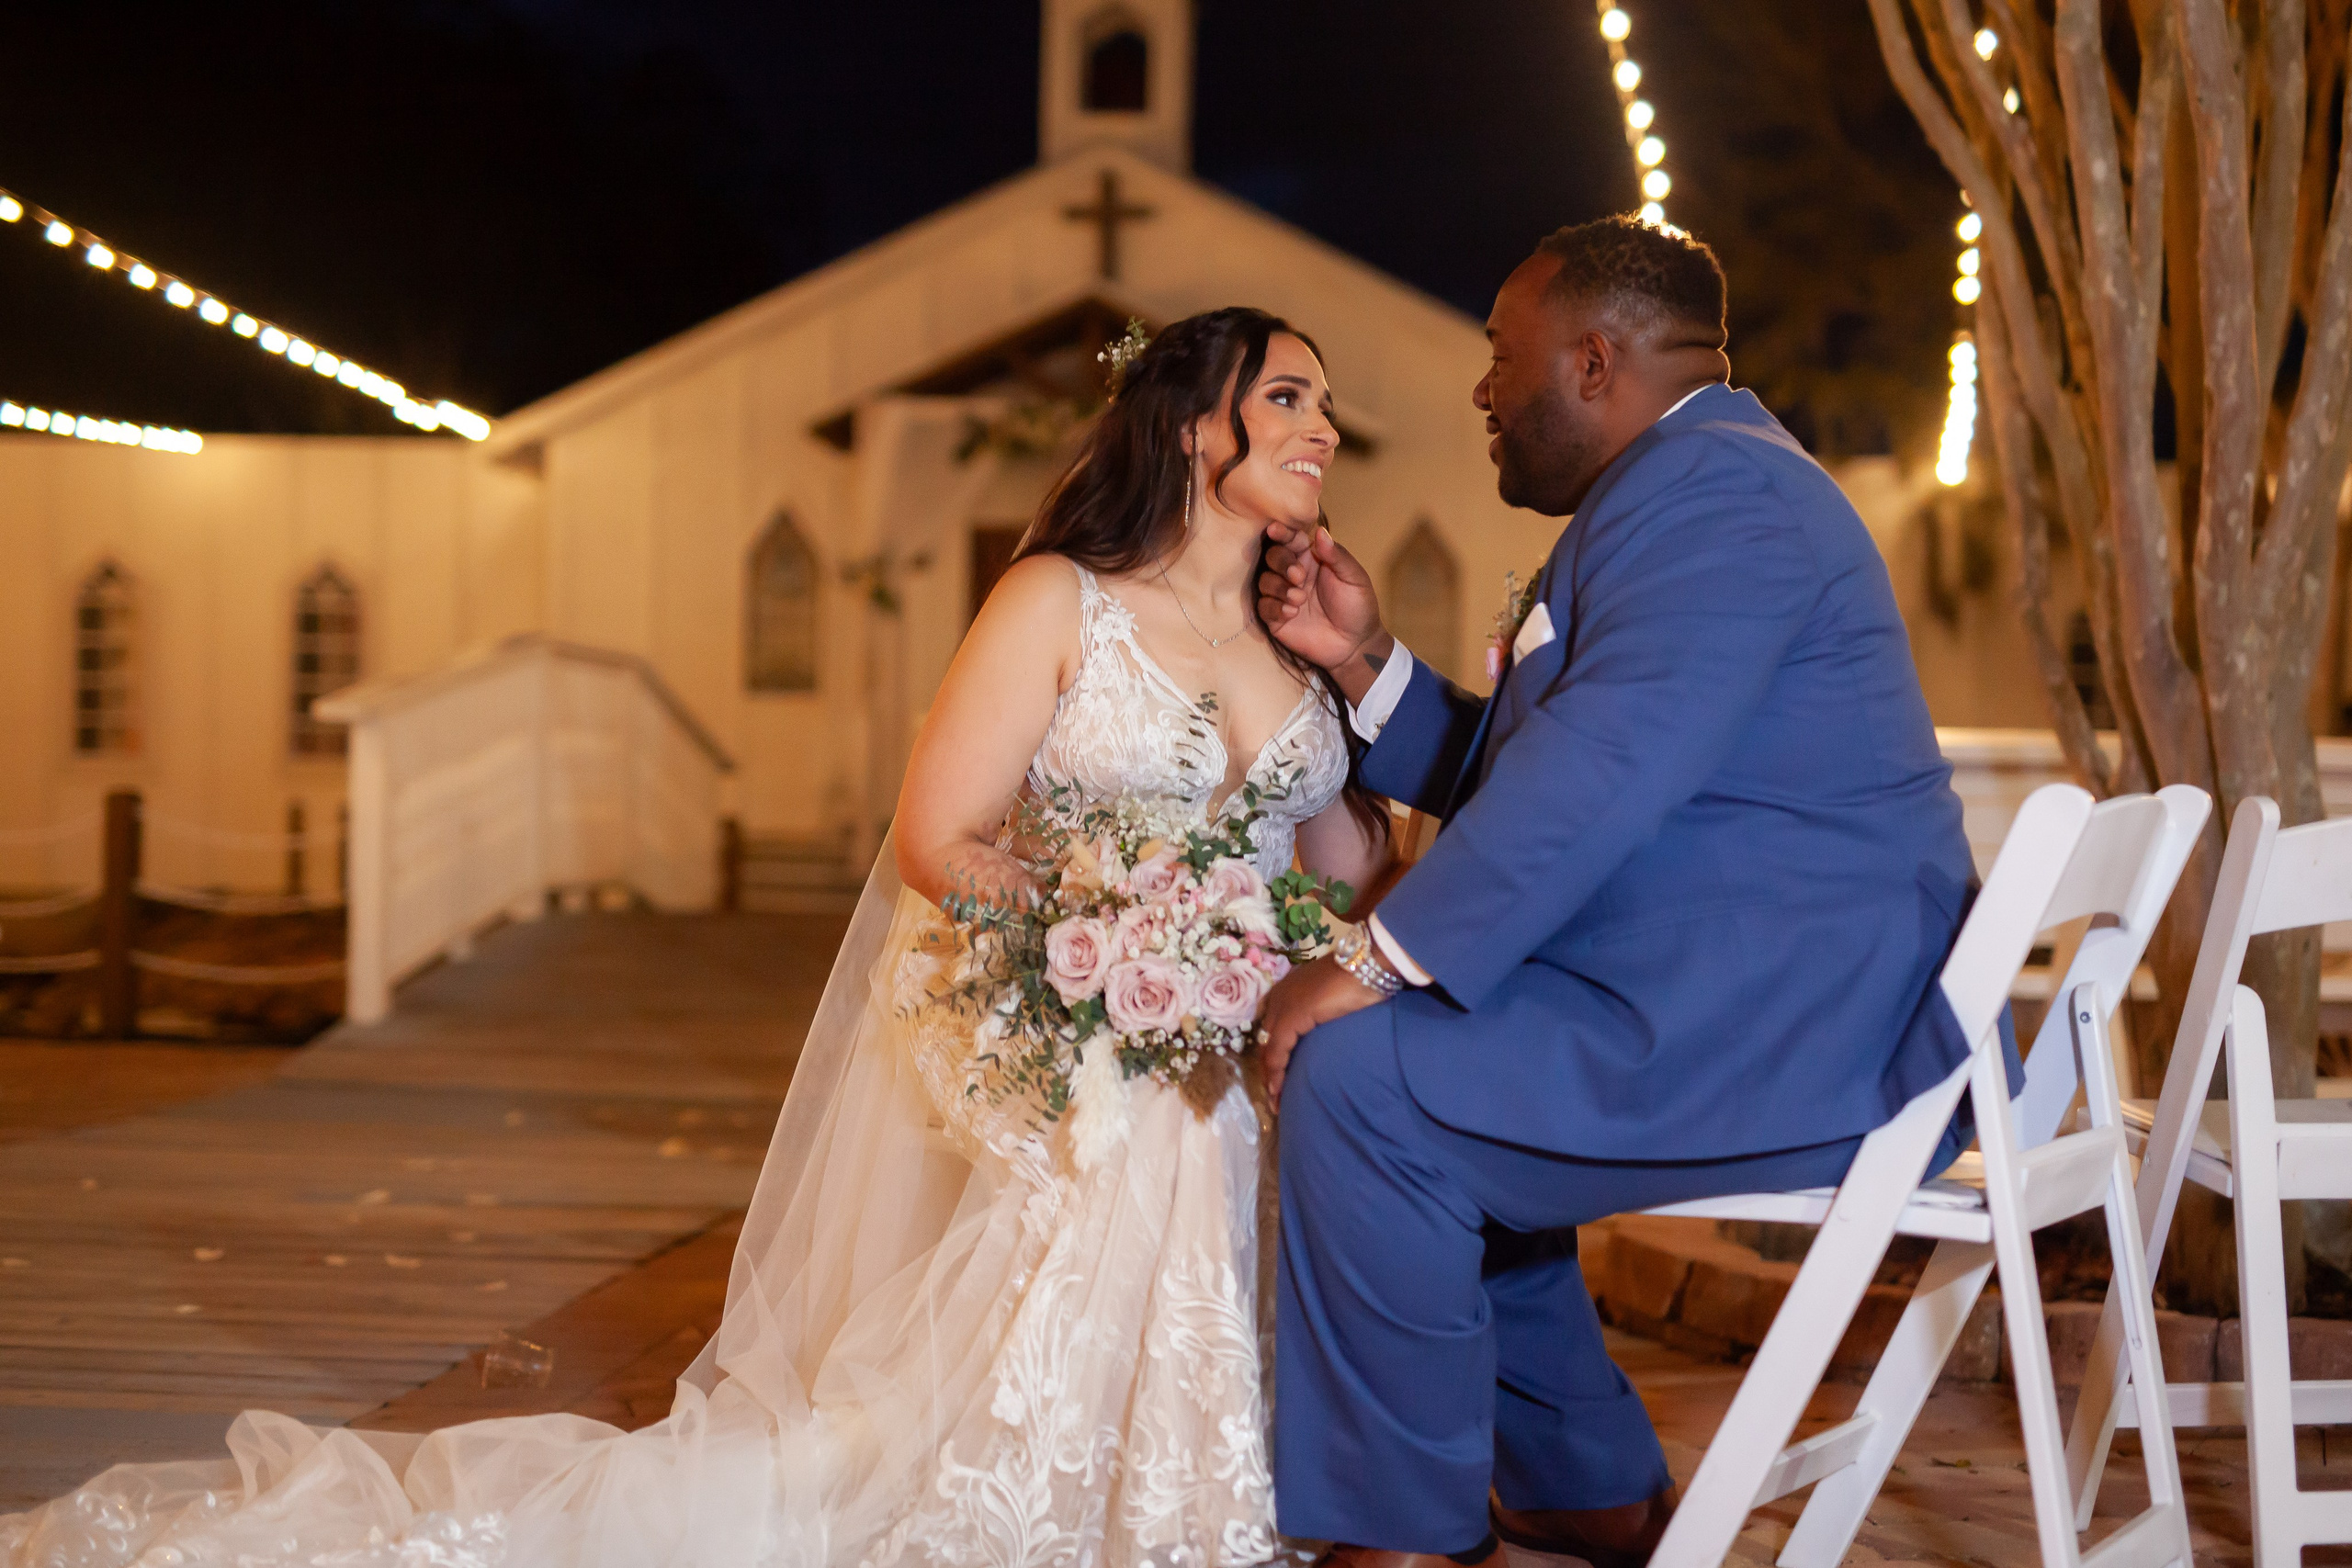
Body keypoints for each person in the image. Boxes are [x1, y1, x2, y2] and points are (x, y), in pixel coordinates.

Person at [0, 307, 1388, 1568]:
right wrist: (1111, 939)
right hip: (1092, 1034)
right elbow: (938, 839)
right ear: (1195, 422)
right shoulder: (1059, 602)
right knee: (1107, 1186)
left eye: (1324, 404)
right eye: (1288, 398)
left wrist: (1347, 664)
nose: (1321, 426)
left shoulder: (1291, 644)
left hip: (1242, 1051)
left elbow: (1341, 865)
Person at [1251, 217, 1984, 1568]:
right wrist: (1368, 669)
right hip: (1750, 989)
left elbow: (1602, 768)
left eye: (1499, 355)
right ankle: (1576, 1485)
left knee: (1365, 1085)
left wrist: (1371, 960)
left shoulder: (1718, 498)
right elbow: (1553, 764)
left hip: (1785, 1030)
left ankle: (1401, 1541)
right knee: (1446, 1080)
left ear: (1593, 361)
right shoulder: (1698, 483)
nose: (1480, 389)